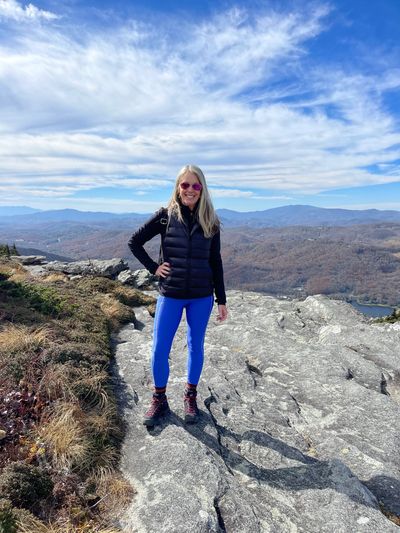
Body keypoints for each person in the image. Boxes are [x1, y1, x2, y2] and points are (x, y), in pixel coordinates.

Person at [128, 164, 228, 426]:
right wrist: (153, 268)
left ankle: (190, 396)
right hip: (170, 293)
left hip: (201, 295)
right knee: (160, 348)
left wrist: (222, 300)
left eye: (196, 185)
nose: (190, 190)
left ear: (202, 188)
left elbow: (215, 261)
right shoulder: (165, 216)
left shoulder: (211, 220)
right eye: (185, 185)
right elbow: (134, 242)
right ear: (177, 187)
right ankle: (159, 399)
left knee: (196, 346)